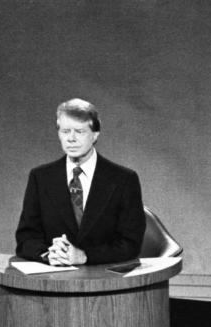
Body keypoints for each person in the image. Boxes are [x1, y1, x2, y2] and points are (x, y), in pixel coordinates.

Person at [16, 98, 146, 267]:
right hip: (54, 279)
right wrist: (48, 255)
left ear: (95, 135)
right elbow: (26, 238)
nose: (71, 138)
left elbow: (131, 244)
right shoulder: (40, 177)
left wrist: (85, 256)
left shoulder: (123, 179)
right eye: (65, 131)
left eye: (79, 131)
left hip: (105, 280)